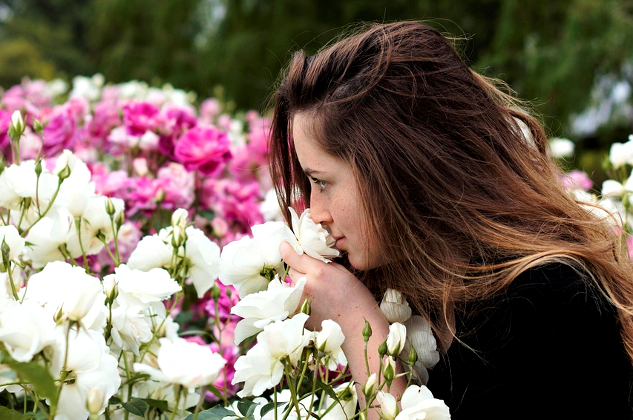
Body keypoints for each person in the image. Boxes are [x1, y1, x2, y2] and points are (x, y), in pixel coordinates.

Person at [268, 21, 633, 419]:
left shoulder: (548, 300)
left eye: (323, 182)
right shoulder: (414, 290)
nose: (314, 212)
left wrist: (357, 329)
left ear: (402, 171)